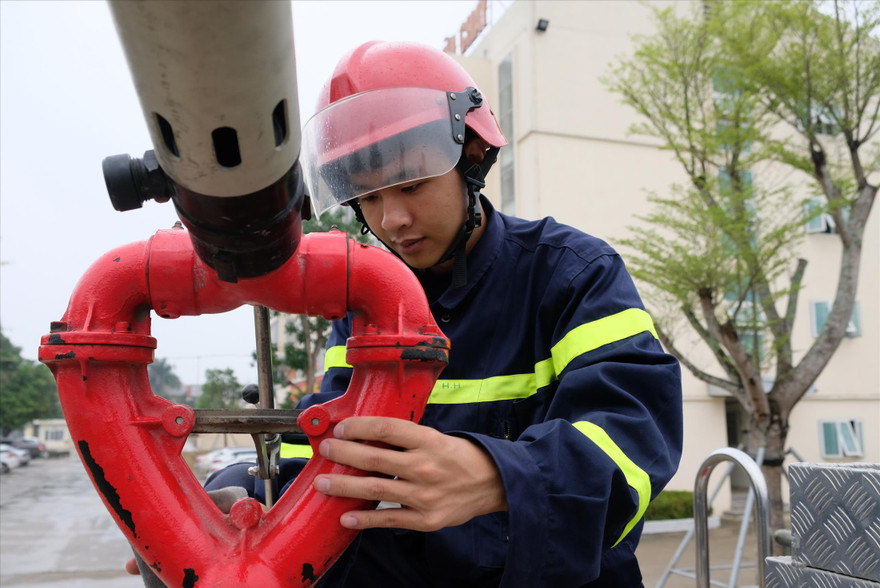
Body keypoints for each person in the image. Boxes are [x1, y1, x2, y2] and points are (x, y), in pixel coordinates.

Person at [161, 40, 683, 587]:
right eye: (368, 197)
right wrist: (241, 488)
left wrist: (499, 477)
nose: (393, 219)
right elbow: (326, 449)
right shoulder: (362, 308)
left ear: (472, 157)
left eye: (411, 184)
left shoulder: (573, 274)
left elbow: (633, 441)